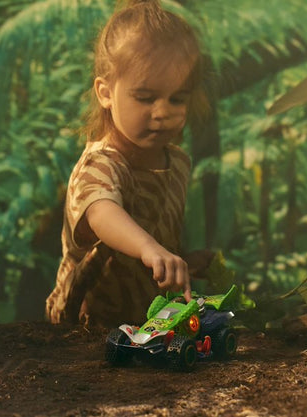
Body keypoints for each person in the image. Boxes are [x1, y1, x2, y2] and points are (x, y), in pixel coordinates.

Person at [46, 0, 212, 327]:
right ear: (106, 93)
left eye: (177, 98)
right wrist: (149, 247)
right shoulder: (100, 163)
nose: (162, 112)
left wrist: (178, 261)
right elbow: (102, 212)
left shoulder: (178, 163)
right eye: (145, 98)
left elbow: (154, 244)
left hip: (144, 322)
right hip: (83, 324)